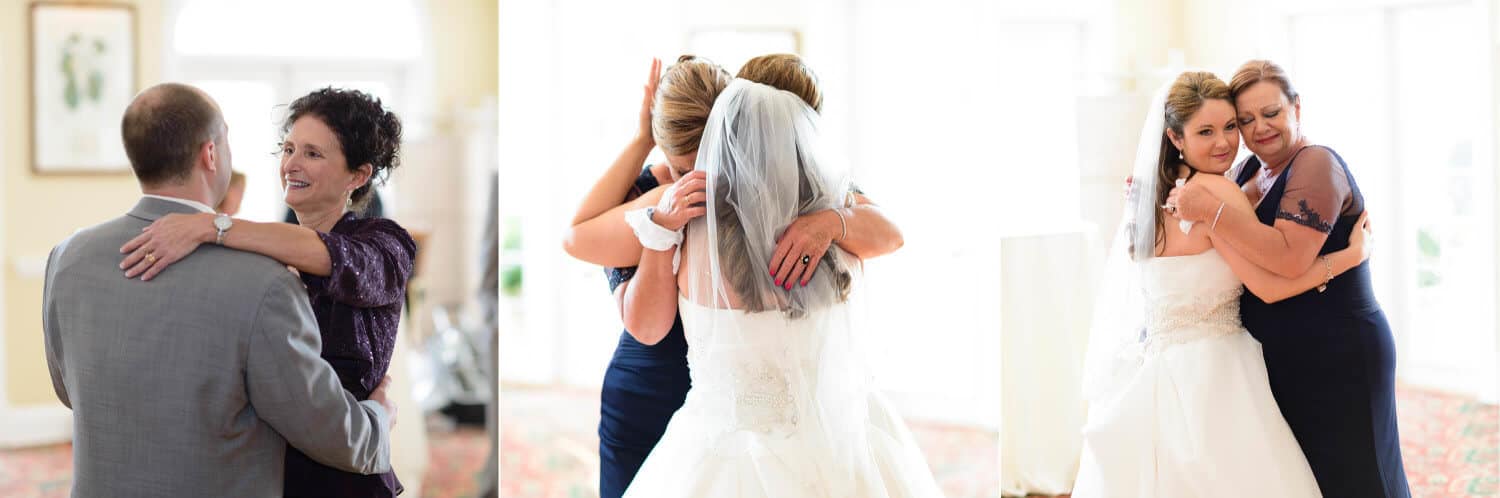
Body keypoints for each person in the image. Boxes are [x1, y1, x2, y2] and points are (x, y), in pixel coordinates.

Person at [561, 54, 905, 498]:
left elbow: (889, 232)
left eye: (718, 153)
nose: (709, 177)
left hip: (766, 412)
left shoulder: (806, 186)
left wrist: (831, 221)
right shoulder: (670, 198)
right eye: (689, 167)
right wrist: (643, 154)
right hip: (658, 389)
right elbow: (576, 239)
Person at [42, 82, 395, 497]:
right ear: (210, 154)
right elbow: (328, 431)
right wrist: (379, 416)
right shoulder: (265, 282)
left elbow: (70, 389)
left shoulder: (67, 257)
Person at [1073, 71, 1373, 496]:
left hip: (1153, 369)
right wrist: (1350, 257)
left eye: (1231, 127)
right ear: (1176, 138)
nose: (1225, 143)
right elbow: (1269, 286)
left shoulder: (1147, 196)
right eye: (1206, 131)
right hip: (1217, 370)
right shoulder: (1214, 193)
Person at [1166, 60, 1411, 497]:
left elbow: (1289, 258)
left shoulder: (1316, 164)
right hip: (1287, 360)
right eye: (1246, 120)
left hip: (1340, 354)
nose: (1259, 128)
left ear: (1297, 107)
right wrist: (1155, 191)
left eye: (1271, 112)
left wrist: (1209, 210)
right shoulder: (1246, 172)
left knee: (1363, 479)